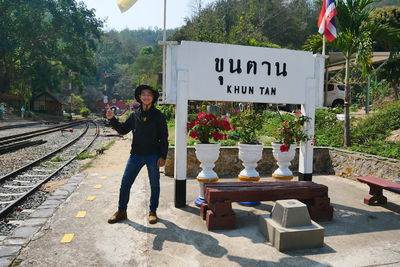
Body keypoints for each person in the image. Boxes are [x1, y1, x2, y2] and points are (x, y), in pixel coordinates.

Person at [106, 85, 168, 224]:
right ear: (139, 97)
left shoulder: (159, 116)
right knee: (125, 183)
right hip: (135, 155)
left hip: (153, 156)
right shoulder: (134, 115)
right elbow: (123, 130)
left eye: (149, 94)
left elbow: (164, 138)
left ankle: (153, 211)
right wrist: (112, 119)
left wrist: (163, 156)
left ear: (153, 98)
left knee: (154, 185)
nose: (146, 97)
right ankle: (121, 211)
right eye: (143, 94)